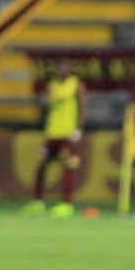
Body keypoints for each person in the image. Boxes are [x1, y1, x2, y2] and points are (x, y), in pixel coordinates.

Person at [26, 58, 85, 218]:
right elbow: (45, 105)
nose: (62, 69)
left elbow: (82, 107)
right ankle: (37, 202)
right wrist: (44, 101)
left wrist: (78, 129)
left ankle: (67, 204)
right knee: (41, 163)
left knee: (68, 166)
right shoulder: (52, 85)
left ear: (70, 68)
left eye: (65, 66)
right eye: (60, 66)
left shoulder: (76, 84)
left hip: (68, 133)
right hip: (52, 132)